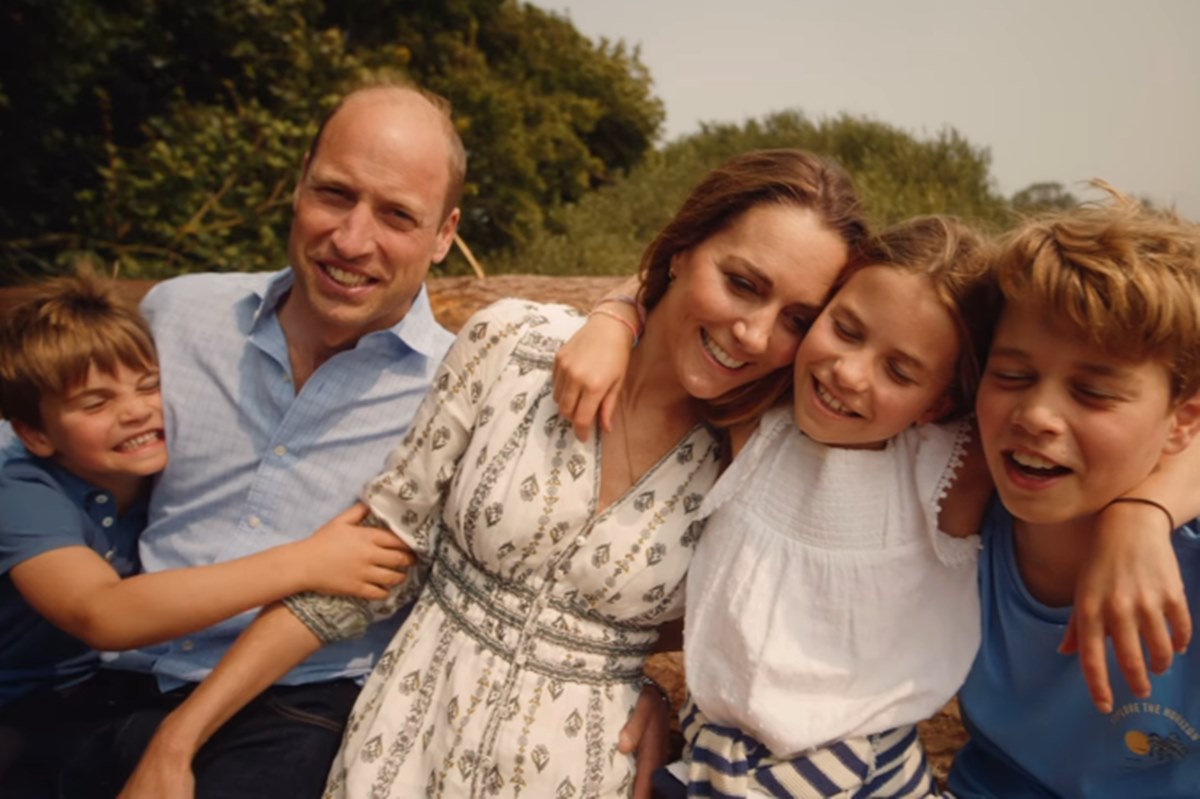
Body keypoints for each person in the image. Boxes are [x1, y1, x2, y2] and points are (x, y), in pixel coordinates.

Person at [118, 148, 870, 799]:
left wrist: (645, 678)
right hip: (403, 750)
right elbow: (365, 574)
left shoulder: (759, 455)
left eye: (798, 318)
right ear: (682, 250)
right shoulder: (515, 343)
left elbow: (731, 628)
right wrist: (180, 737)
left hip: (584, 770)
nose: (756, 332)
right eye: (742, 282)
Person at [0, 80, 467, 798]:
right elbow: (53, 435)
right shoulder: (179, 313)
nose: (350, 239)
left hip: (290, 702)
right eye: (335, 194)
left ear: (444, 235)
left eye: (398, 214)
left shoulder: (459, 393)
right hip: (105, 676)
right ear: (298, 184)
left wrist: (616, 317)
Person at [0, 273, 409, 793]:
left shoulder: (143, 478)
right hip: (18, 702)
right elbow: (101, 614)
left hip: (83, 689)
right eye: (95, 404)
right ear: (35, 434)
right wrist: (306, 562)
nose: (135, 410)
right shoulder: (23, 495)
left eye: (149, 385)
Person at [948, 187, 1200, 797]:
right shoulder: (953, 505)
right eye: (1011, 376)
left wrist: (1142, 515)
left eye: (1093, 393)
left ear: (1182, 423)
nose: (1037, 414)